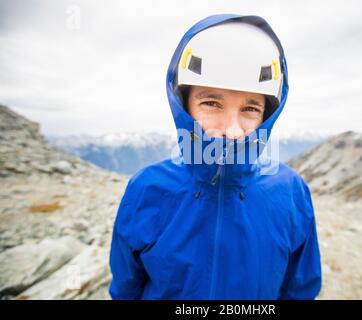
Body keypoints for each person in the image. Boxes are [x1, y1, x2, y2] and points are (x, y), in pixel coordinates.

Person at [109, 14, 322, 300]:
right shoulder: (146, 189)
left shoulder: (291, 192)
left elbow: (300, 290)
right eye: (211, 103)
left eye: (250, 109)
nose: (233, 131)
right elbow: (126, 289)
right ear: (183, 105)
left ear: (267, 115)